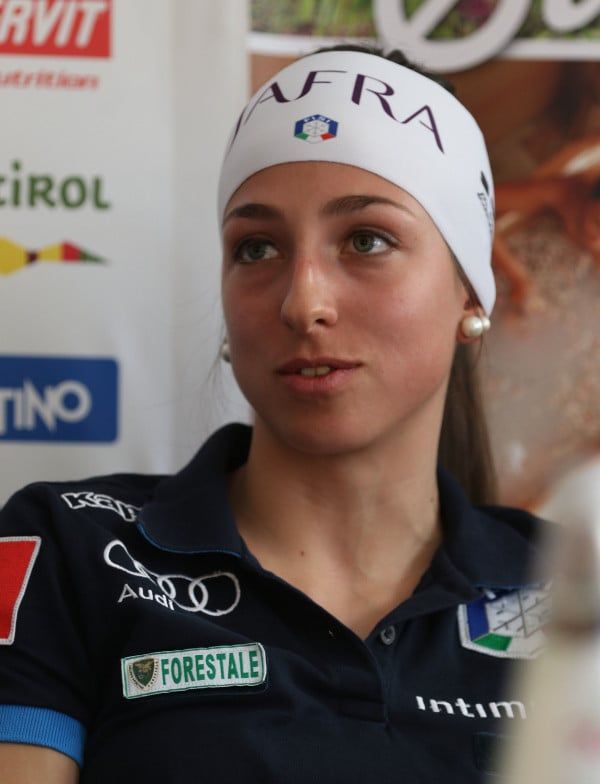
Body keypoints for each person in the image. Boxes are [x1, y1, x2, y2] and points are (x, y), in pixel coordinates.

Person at [0, 47, 548, 783]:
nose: (302, 302)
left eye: (367, 241)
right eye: (257, 248)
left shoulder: (570, 588)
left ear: (470, 293)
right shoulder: (68, 550)